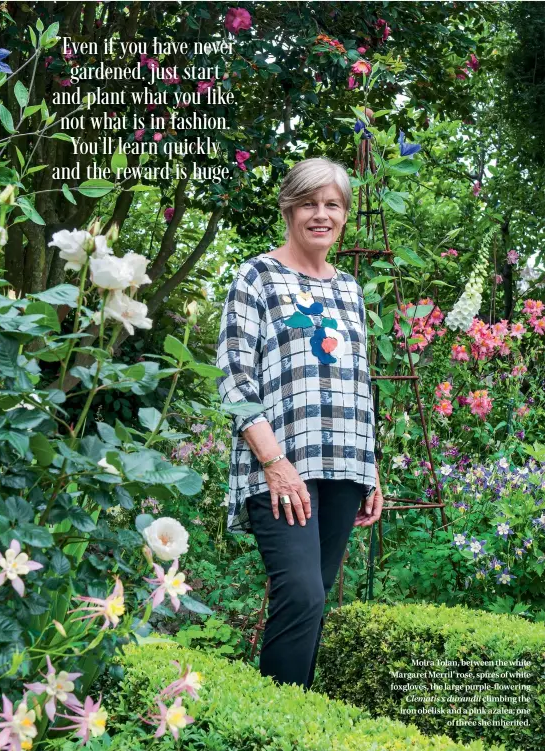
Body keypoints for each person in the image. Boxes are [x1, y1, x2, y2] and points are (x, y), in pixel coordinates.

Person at [215, 157, 384, 690]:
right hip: (279, 466)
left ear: (344, 215)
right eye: (309, 203)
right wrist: (274, 464)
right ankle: (274, 729)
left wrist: (372, 467)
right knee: (301, 593)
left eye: (332, 205)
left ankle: (291, 720)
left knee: (314, 599)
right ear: (289, 207)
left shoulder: (351, 291)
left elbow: (360, 380)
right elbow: (235, 383)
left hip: (343, 466)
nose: (321, 214)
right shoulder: (256, 277)